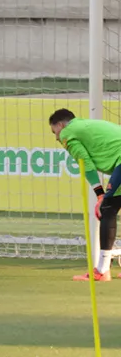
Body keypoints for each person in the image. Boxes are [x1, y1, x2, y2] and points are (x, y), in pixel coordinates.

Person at [51, 109, 121, 282]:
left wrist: (99, 195)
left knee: (107, 208)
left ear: (61, 125)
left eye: (55, 132)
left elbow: (85, 163)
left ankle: (102, 270)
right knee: (112, 205)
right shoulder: (86, 125)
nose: (57, 138)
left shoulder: (68, 133)